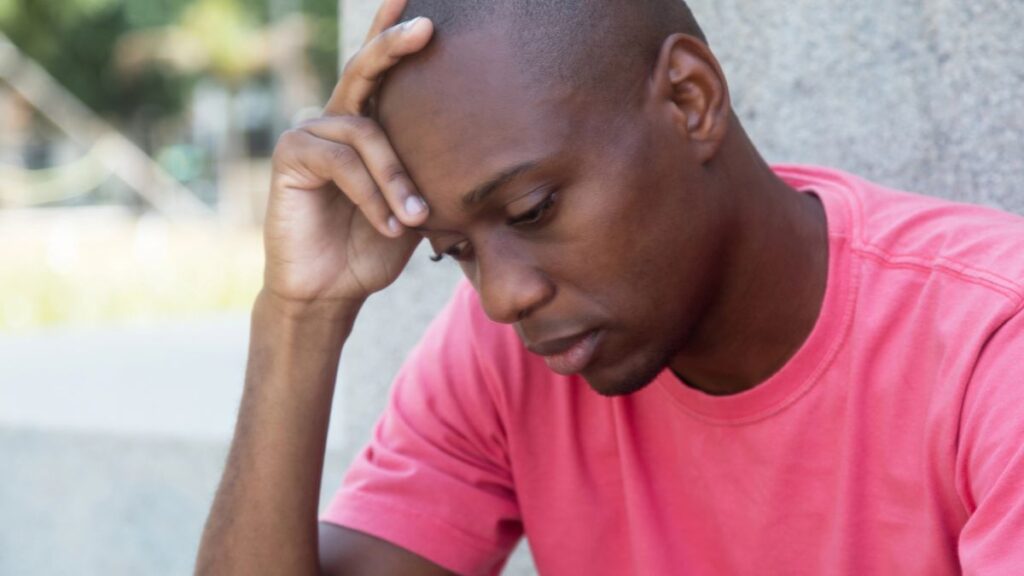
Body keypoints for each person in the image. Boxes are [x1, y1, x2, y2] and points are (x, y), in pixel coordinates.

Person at [195, 0, 1024, 574]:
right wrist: (299, 315)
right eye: (456, 251)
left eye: (533, 208)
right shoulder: (504, 356)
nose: (503, 298)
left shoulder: (993, 347)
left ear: (690, 99)